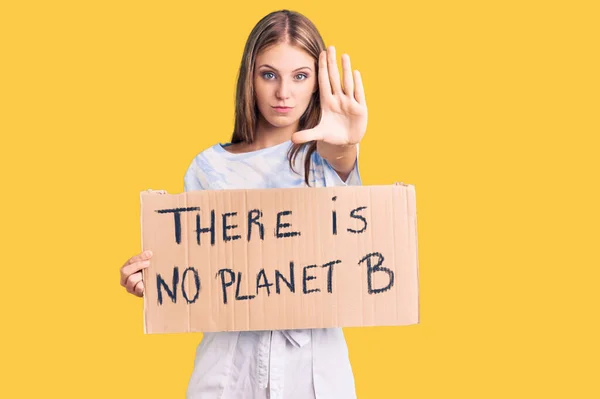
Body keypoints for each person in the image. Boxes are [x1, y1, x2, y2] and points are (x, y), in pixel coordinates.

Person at [119, 9, 368, 399]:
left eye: (300, 76)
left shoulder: (330, 160)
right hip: (228, 374)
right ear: (249, 78)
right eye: (269, 74)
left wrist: (345, 147)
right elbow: (191, 274)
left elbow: (358, 241)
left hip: (316, 374)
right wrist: (155, 277)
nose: (283, 93)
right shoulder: (209, 168)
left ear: (317, 84)